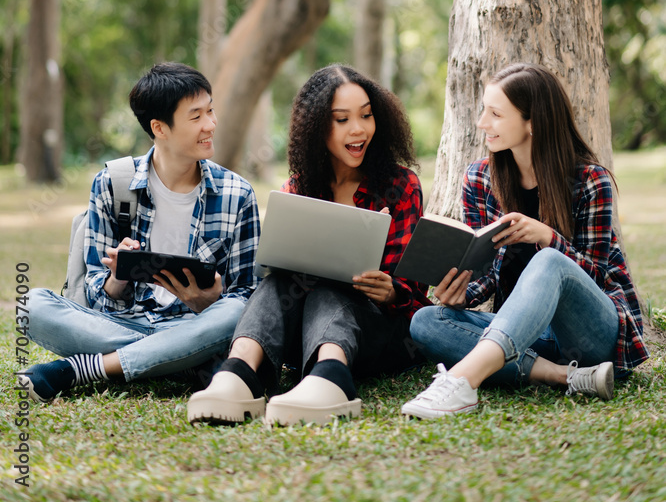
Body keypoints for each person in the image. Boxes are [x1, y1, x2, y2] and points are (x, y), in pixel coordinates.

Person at [401, 63, 649, 419]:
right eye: (483, 110)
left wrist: (549, 239)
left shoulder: (591, 181)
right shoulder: (480, 178)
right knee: (425, 321)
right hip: (522, 333)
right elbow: (485, 272)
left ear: (532, 122)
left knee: (548, 262)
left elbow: (600, 276)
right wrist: (460, 292)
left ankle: (461, 382)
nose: (482, 122)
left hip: (592, 335)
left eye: (496, 114)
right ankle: (565, 376)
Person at [188, 64, 430, 426]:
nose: (359, 128)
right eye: (342, 119)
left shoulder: (400, 185)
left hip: (378, 333)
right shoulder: (298, 189)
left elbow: (413, 290)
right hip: (303, 334)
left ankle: (333, 380)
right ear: (319, 127)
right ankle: (238, 374)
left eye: (366, 115)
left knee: (331, 289)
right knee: (280, 282)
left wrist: (390, 291)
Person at [21, 62, 260, 403]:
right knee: (32, 305)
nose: (211, 125)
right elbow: (95, 294)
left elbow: (249, 297)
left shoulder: (238, 194)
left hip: (197, 326)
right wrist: (117, 278)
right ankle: (182, 363)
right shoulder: (112, 184)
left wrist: (209, 304)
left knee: (235, 313)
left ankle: (82, 370)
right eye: (196, 117)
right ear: (159, 128)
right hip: (122, 326)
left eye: (210, 111)